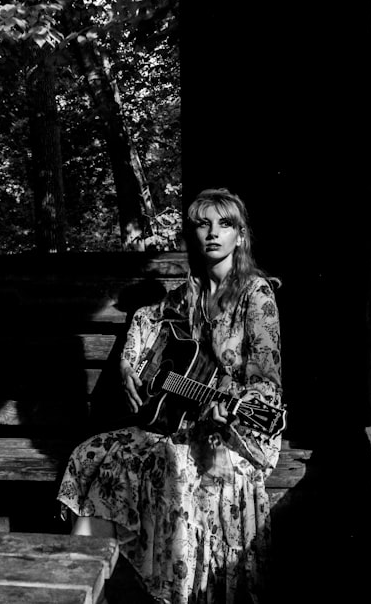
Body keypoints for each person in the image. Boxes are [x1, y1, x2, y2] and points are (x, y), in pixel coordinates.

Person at [56, 187, 283, 604]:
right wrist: (128, 362)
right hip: (184, 419)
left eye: (225, 224)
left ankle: (173, 594)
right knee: (92, 454)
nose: (213, 233)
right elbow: (144, 318)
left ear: (241, 235)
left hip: (239, 432)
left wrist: (233, 406)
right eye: (203, 224)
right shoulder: (190, 293)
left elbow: (266, 379)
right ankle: (81, 590)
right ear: (192, 234)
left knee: (171, 467)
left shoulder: (257, 294)